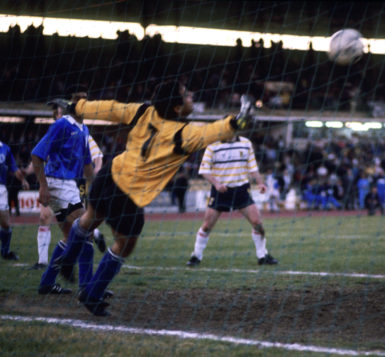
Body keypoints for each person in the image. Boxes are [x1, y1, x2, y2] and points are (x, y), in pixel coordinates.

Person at [51, 81, 253, 316]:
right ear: (177, 108)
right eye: (186, 96)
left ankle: (67, 261)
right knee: (126, 244)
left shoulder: (143, 111)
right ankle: (92, 295)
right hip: (129, 194)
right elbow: (211, 132)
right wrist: (236, 122)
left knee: (90, 218)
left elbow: (111, 108)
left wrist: (77, 107)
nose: (191, 97)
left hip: (110, 174)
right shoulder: (184, 134)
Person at [32, 88, 95, 296]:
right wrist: (42, 186)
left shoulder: (84, 129)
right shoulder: (62, 125)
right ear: (74, 105)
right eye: (81, 103)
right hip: (59, 183)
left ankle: (47, 283)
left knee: (71, 237)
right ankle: (87, 288)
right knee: (85, 232)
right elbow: (37, 155)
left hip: (70, 185)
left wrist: (93, 188)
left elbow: (87, 164)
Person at [186, 133, 278, 267]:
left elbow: (253, 167)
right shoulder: (213, 145)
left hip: (241, 190)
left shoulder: (246, 143)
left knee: (258, 223)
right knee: (206, 226)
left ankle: (262, 255)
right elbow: (204, 170)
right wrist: (216, 184)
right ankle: (196, 256)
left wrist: (260, 183)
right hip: (220, 191)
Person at [0, 140, 29, 260]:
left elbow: (14, 168)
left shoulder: (5, 148)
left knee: (6, 223)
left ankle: (5, 252)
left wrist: (23, 181)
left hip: (1, 188)